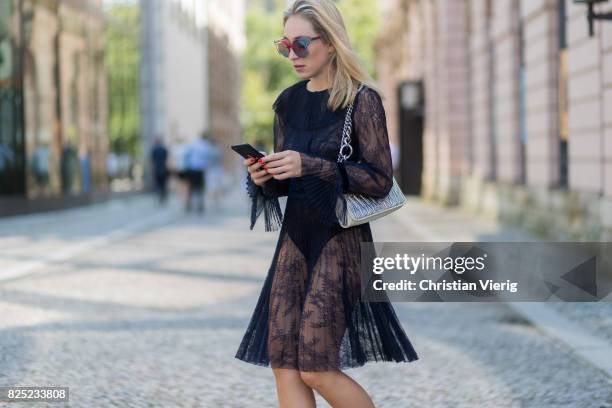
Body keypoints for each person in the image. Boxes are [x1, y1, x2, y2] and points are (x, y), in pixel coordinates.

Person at [235, 1, 419, 407]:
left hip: (341, 241)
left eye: (302, 43)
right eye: (285, 46)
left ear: (331, 43)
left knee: (315, 367)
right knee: (283, 363)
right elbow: (291, 180)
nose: (293, 55)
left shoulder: (362, 101)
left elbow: (379, 179)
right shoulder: (287, 102)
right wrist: (265, 177)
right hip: (295, 240)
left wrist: (312, 165)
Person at [184, 132, 212, 214]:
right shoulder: (206, 145)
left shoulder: (193, 144)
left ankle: (189, 204)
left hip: (192, 168)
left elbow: (187, 155)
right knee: (200, 188)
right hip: (200, 169)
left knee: (191, 188)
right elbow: (207, 158)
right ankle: (200, 205)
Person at [150, 136, 169, 204]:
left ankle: (160, 194)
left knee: (159, 183)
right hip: (162, 168)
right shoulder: (163, 149)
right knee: (162, 183)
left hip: (158, 169)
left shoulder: (155, 149)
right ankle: (162, 195)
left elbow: (152, 161)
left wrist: (152, 169)